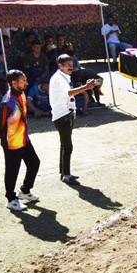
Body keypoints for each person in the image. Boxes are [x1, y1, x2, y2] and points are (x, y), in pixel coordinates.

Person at [0, 70, 40, 211]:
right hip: (12, 142)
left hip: (23, 139)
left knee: (34, 163)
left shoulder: (22, 94)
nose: (26, 82)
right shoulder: (7, 102)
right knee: (12, 170)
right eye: (23, 81)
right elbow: (0, 121)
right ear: (14, 83)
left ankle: (25, 191)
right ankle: (11, 199)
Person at [49, 54, 99, 185]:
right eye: (68, 66)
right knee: (67, 146)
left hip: (65, 114)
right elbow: (69, 93)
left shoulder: (63, 76)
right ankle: (66, 175)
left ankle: (64, 172)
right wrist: (86, 88)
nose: (71, 68)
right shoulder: (59, 78)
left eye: (72, 65)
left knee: (65, 145)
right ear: (60, 66)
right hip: (62, 115)